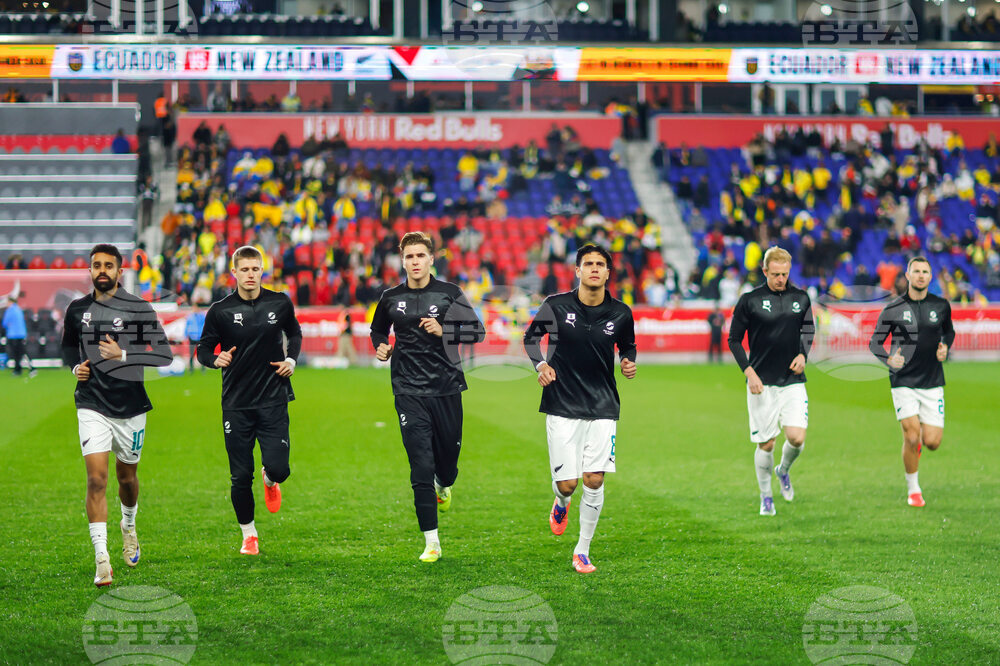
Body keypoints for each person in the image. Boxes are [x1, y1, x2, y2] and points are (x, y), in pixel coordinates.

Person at [60, 244, 172, 586]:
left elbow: (164, 355)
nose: (102, 271)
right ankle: (101, 559)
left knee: (126, 478)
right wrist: (75, 367)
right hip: (91, 403)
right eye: (97, 265)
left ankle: (129, 524)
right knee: (96, 480)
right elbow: (68, 348)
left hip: (131, 407)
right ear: (90, 270)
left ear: (120, 271)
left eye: (109, 265)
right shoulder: (77, 309)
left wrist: (123, 354)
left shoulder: (138, 308)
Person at [369, 232, 485, 563]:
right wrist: (381, 346)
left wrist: (444, 331)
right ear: (402, 261)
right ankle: (431, 542)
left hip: (447, 388)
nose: (415, 261)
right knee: (420, 464)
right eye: (410, 256)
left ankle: (443, 485)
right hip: (408, 390)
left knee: (446, 468)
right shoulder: (390, 297)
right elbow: (378, 330)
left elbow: (477, 332)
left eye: (421, 255)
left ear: (431, 259)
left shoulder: (450, 293)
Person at [523, 244, 637, 574]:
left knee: (595, 479)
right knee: (568, 485)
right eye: (588, 264)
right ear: (578, 270)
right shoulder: (556, 306)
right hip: (562, 402)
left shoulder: (621, 312)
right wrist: (541, 365)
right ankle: (561, 502)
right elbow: (531, 338)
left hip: (603, 403)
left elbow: (628, 345)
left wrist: (627, 361)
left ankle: (582, 550)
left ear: (608, 272)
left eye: (600, 264)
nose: (594, 269)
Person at [197, 246, 303, 555]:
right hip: (236, 404)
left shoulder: (280, 302)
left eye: (255, 269)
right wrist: (215, 359)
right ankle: (249, 535)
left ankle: (271, 480)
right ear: (234, 272)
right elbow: (203, 349)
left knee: (280, 469)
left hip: (273, 399)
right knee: (241, 475)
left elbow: (295, 334)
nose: (250, 274)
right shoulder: (220, 311)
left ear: (262, 270)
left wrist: (291, 360)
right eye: (244, 269)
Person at [728, 247, 814, 517]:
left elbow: (808, 329)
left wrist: (803, 354)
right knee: (766, 444)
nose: (780, 279)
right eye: (775, 274)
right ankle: (766, 496)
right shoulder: (750, 300)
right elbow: (734, 339)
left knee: (797, 438)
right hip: (761, 383)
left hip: (792, 379)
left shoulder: (801, 298)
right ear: (765, 271)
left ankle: (783, 470)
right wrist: (749, 372)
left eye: (784, 274)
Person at [869, 257, 954, 508]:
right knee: (912, 435)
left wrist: (945, 346)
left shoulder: (941, 305)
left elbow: (949, 332)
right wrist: (888, 359)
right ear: (907, 275)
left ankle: (915, 449)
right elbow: (875, 342)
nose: (920, 275)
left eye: (925, 272)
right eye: (916, 271)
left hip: (932, 380)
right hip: (903, 380)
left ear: (930, 276)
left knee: (932, 442)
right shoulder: (893, 308)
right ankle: (914, 489)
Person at [2, 292, 35, 377]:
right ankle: (22, 369)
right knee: (21, 352)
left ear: (10, 302)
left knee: (16, 353)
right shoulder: (18, 309)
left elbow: (5, 323)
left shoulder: (9, 310)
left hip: (13, 335)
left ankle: (21, 369)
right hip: (21, 334)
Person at [185, 304, 206, 373]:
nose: (194, 310)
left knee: (201, 353)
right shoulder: (190, 317)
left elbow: (205, 325)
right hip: (192, 337)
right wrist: (186, 335)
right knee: (191, 353)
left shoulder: (202, 316)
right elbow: (187, 326)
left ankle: (203, 368)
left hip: (200, 337)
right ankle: (191, 368)